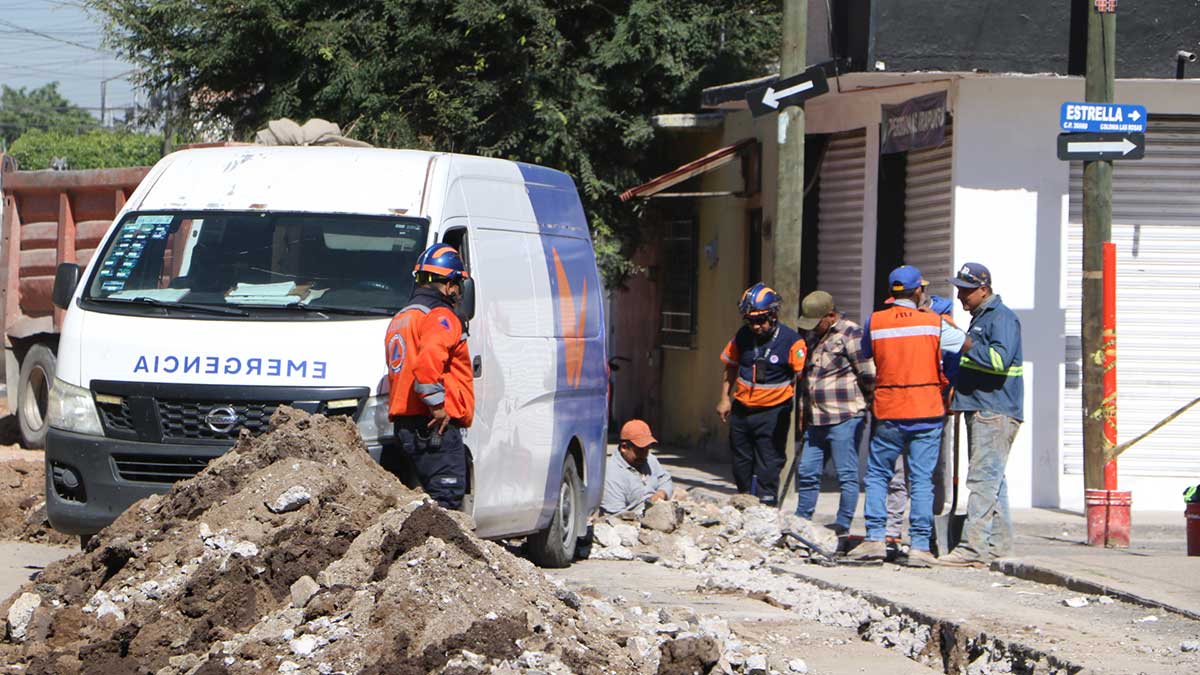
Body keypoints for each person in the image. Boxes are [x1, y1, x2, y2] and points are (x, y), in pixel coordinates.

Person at [850, 266, 965, 566]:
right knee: (922, 479)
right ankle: (920, 547)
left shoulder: (874, 322)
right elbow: (965, 346)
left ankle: (876, 539)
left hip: (889, 410)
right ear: (917, 291)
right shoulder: (934, 323)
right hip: (926, 409)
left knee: (878, 474)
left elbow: (867, 353)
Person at [937, 262, 1024, 567]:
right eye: (959, 289)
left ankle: (972, 550)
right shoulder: (982, 318)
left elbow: (999, 360)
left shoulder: (1001, 318)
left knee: (982, 481)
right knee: (993, 481)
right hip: (982, 407)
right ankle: (998, 547)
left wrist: (964, 342)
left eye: (967, 291)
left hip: (994, 409)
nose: (961, 296)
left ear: (984, 289)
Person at [384, 244, 474, 510]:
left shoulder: (403, 317)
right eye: (458, 284)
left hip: (406, 426)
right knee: (445, 503)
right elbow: (426, 367)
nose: (458, 292)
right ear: (449, 284)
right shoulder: (440, 317)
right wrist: (437, 406)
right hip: (433, 426)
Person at [884, 293, 967, 554]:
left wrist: (952, 391)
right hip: (910, 407)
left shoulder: (945, 328)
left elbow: (956, 366)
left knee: (925, 474)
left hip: (930, 409)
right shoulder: (914, 328)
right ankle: (897, 533)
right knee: (904, 474)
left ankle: (923, 533)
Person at [716, 283, 807, 506]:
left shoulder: (792, 341)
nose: (756, 326)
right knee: (741, 462)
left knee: (769, 462)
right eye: (751, 321)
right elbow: (730, 365)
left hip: (774, 413)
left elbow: (803, 377)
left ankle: (767, 506)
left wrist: (805, 412)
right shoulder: (743, 337)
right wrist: (725, 398)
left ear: (774, 315)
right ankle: (745, 502)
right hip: (743, 410)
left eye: (761, 320)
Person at [792, 290, 875, 535]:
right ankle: (802, 521)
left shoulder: (851, 333)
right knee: (807, 470)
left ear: (830, 315)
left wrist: (867, 403)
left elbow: (868, 373)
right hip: (816, 418)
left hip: (845, 417)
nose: (813, 327)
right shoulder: (813, 337)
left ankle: (842, 524)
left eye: (817, 322)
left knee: (846, 473)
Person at [601, 420, 674, 515]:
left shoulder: (649, 459)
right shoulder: (611, 473)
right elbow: (615, 514)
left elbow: (665, 479)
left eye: (648, 448)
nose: (645, 454)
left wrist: (661, 493)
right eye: (640, 449)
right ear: (624, 447)